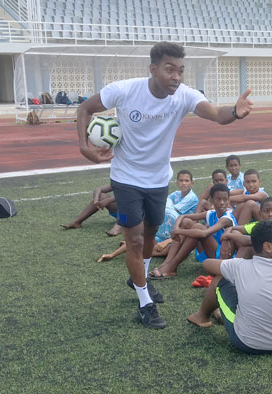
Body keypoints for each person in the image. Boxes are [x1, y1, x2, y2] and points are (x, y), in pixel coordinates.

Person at [76, 41, 253, 328]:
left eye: (181, 71)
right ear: (153, 69)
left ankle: (139, 280)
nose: (177, 77)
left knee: (149, 236)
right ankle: (144, 301)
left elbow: (218, 115)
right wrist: (84, 147)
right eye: (170, 70)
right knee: (133, 239)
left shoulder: (183, 95)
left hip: (158, 180)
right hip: (126, 178)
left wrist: (235, 111)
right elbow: (85, 108)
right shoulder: (125, 90)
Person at [186, 220, 272, 355]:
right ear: (267, 246)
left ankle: (202, 317)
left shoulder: (239, 266)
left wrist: (249, 243)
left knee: (220, 278)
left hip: (246, 344)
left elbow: (207, 264)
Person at [97, 170, 199, 262]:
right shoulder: (174, 196)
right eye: (181, 180)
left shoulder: (187, 201)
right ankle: (127, 250)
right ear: (177, 182)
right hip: (166, 229)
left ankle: (148, 253)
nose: (183, 183)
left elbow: (181, 225)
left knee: (153, 247)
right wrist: (112, 254)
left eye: (186, 181)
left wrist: (166, 242)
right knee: (140, 239)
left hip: (179, 234)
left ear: (192, 183)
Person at [148, 183, 236, 278]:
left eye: (225, 199)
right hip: (211, 252)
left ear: (229, 200)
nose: (222, 202)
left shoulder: (227, 218)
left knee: (198, 228)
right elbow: (182, 216)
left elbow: (204, 233)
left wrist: (178, 232)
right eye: (218, 199)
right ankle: (167, 263)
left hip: (223, 257)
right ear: (211, 200)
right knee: (186, 222)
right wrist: (176, 228)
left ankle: (171, 267)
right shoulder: (211, 213)